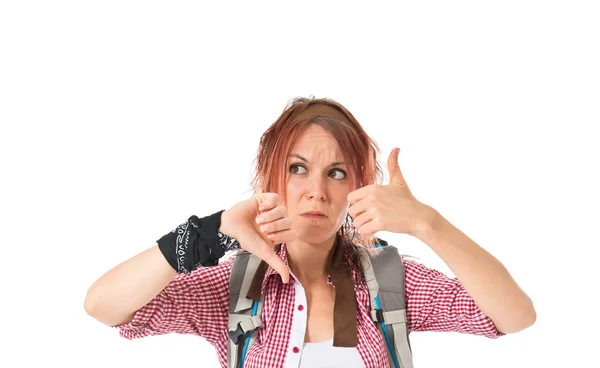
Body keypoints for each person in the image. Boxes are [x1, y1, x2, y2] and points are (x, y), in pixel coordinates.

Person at [84, 96, 536, 368]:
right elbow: (105, 305)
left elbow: (514, 316)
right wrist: (211, 232)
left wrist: (427, 223)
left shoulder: (386, 283)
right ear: (270, 178)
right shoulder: (238, 287)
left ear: (358, 187)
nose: (316, 192)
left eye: (337, 173)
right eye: (298, 168)